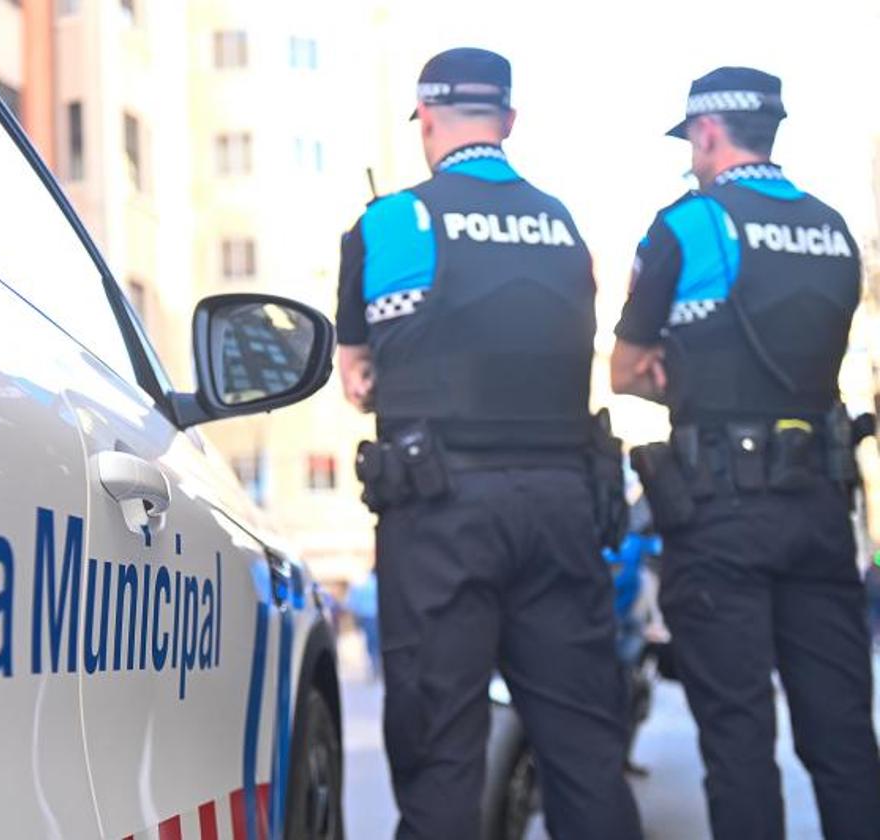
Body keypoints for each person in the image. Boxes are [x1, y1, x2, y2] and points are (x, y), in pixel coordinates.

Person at [337, 47, 643, 840]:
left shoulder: (390, 221)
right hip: (563, 509)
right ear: (507, 122)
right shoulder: (565, 226)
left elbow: (360, 382)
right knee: (584, 754)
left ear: (427, 120)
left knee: (442, 759)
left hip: (440, 517)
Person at [612, 66, 880, 840]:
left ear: (707, 131)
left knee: (738, 741)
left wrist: (687, 375)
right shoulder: (832, 227)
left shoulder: (686, 225)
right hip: (822, 510)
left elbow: (627, 369)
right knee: (842, 738)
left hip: (720, 512)